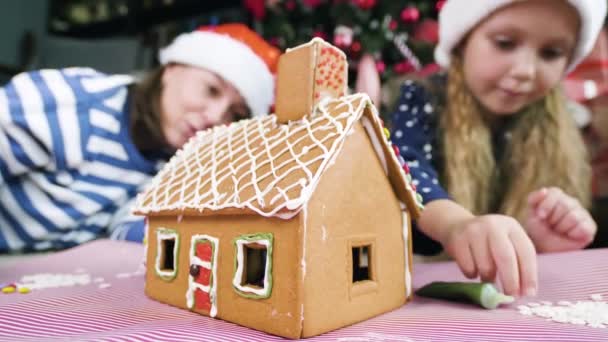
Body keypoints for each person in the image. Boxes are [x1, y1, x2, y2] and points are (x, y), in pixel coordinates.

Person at [389, 0, 606, 297]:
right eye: (505, 44)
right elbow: (404, 169)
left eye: (551, 53)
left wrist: (540, 242)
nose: (526, 71)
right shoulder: (422, 98)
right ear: (463, 41)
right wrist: (457, 226)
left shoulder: (555, 123)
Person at [0, 23, 279, 253]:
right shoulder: (71, 103)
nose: (216, 116)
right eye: (211, 90)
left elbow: (126, 226)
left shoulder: (174, 165)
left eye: (235, 113)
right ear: (172, 69)